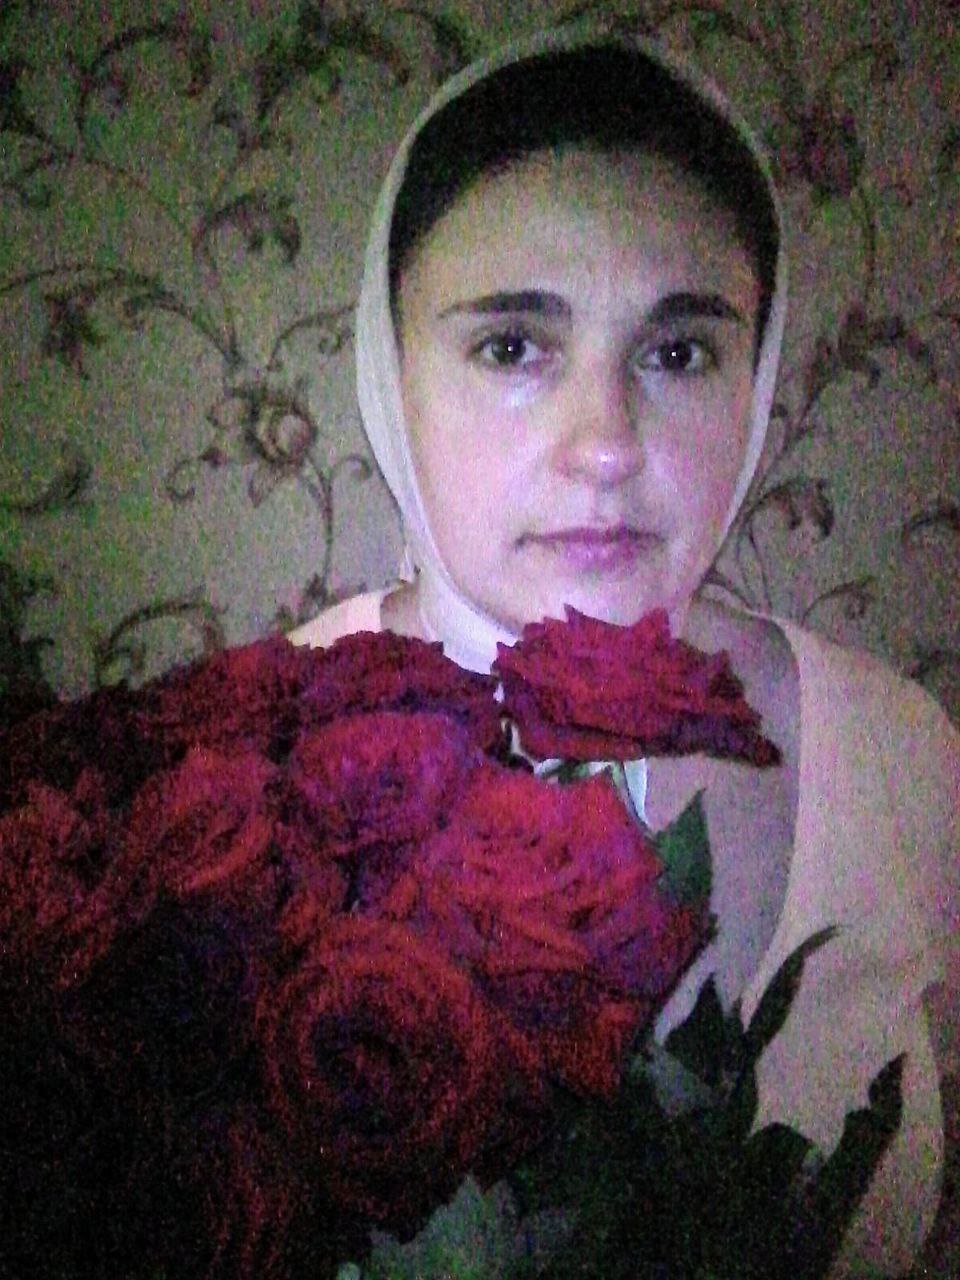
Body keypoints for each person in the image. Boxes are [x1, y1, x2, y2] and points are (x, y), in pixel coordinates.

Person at [287, 20, 959, 1276]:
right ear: (393, 370)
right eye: (511, 346)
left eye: (677, 351)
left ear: (754, 377)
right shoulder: (246, 778)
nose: (604, 443)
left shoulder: (902, 752)